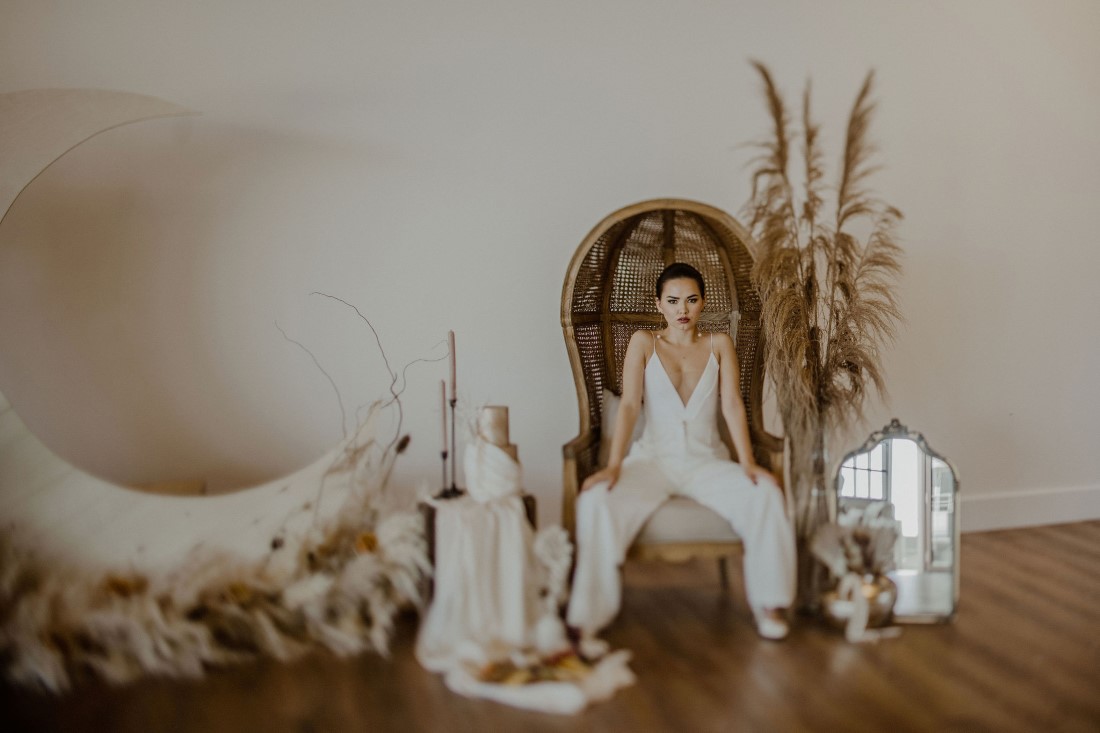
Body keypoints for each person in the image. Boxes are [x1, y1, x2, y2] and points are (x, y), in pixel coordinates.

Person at [566, 262, 796, 641]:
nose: (682, 309)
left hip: (708, 462)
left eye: (690, 300)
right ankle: (590, 617)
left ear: (702, 302)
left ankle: (770, 605)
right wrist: (612, 467)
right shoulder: (643, 342)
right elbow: (628, 407)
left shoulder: (719, 344)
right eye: (673, 301)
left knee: (767, 493)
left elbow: (733, 405)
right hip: (653, 461)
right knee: (595, 501)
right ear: (659, 304)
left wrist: (750, 464)